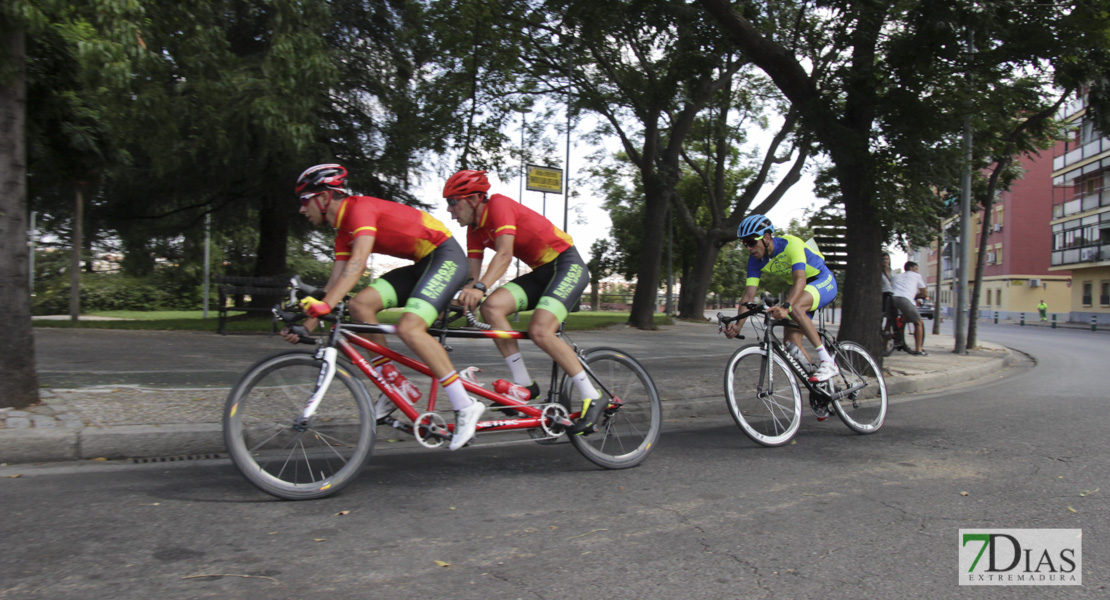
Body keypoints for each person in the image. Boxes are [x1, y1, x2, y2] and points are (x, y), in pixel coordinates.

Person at [282, 164, 483, 451]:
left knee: (409, 327)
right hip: (421, 265)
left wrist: (320, 310)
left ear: (324, 197)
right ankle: (395, 384)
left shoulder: (358, 210)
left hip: (445, 258)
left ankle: (465, 405)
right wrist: (306, 324)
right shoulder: (342, 231)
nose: (302, 209)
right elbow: (334, 285)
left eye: (304, 200)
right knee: (359, 305)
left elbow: (357, 265)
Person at [442, 170, 599, 435]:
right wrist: (456, 302)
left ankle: (592, 396)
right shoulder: (474, 231)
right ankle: (525, 386)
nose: (450, 210)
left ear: (473, 199)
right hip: (541, 273)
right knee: (492, 307)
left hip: (566, 265)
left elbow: (504, 254)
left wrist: (480, 287)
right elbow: (472, 278)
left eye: (453, 202)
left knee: (540, 330)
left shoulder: (499, 205)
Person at [723, 214, 840, 383]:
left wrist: (786, 307)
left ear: (767, 237)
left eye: (751, 242)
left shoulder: (791, 244)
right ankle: (821, 387)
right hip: (804, 288)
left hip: (822, 279)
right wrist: (738, 325)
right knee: (791, 345)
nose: (748, 247)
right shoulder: (755, 260)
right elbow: (749, 295)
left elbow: (800, 279)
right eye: (744, 243)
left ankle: (828, 362)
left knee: (796, 308)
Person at [890, 260, 929, 356]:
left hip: (892, 298)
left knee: (890, 320)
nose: (917, 271)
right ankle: (918, 349)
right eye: (916, 269)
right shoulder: (916, 276)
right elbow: (924, 293)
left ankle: (887, 344)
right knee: (918, 322)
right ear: (911, 268)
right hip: (905, 299)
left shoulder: (897, 276)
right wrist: (917, 297)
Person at [881, 252, 895, 335]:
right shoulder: (879, 272)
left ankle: (887, 332)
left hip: (892, 294)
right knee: (882, 315)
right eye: (883, 259)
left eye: (887, 259)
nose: (885, 261)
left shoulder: (892, 272)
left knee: (890, 317)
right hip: (883, 294)